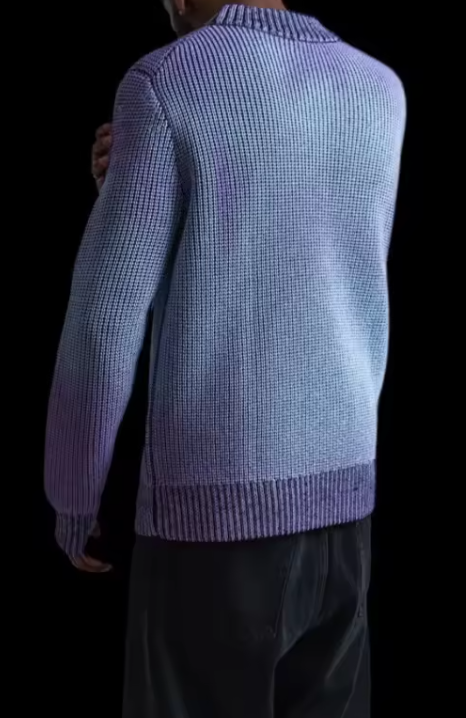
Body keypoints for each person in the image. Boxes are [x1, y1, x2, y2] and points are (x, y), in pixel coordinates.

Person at [45, 0, 406, 715]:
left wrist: (73, 493)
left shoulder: (165, 81)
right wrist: (145, 191)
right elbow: (310, 253)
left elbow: (103, 322)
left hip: (213, 519)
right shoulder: (379, 88)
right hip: (344, 506)